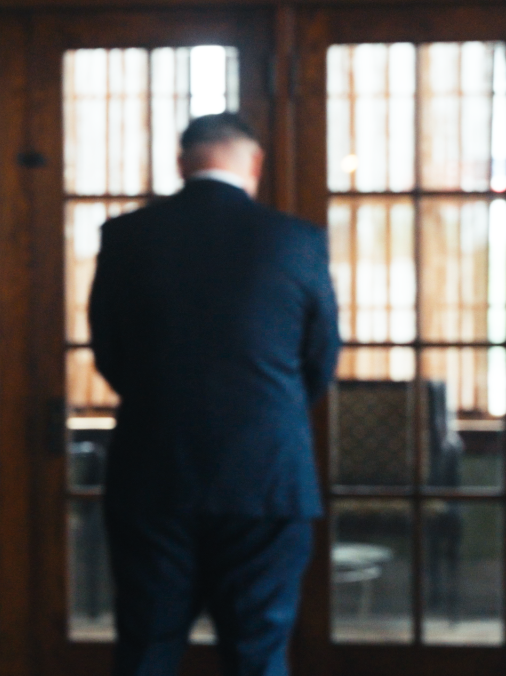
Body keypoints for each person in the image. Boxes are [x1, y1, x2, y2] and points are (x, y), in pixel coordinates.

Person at [87, 113, 340, 676]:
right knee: (258, 652)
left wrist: (161, 400)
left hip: (154, 471)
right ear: (255, 164)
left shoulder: (126, 237)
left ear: (182, 163)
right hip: (265, 477)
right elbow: (320, 359)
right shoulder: (296, 241)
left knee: (146, 648)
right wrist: (269, 412)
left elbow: (109, 351)